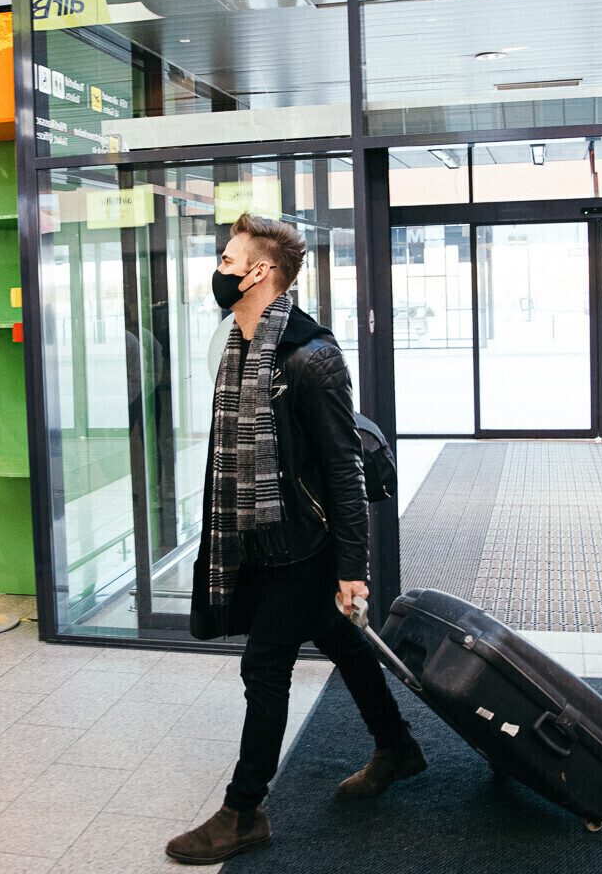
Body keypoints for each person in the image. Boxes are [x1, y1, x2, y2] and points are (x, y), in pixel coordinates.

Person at [167, 213, 425, 865]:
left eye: (227, 261)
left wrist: (352, 568)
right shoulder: (240, 345)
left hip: (305, 544)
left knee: (265, 665)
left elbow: (343, 469)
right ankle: (396, 746)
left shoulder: (313, 357)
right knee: (341, 641)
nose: (218, 271)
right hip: (260, 535)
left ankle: (243, 811)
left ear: (259, 272)